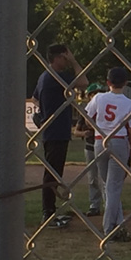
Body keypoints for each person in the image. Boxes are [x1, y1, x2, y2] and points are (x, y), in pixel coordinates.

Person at [33, 43, 87, 228]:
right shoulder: (56, 76)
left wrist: (46, 110)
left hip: (53, 130)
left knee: (53, 173)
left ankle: (50, 211)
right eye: (64, 57)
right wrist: (74, 61)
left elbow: (35, 99)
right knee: (52, 175)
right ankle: (47, 214)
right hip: (56, 131)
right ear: (57, 58)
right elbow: (83, 82)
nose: (66, 60)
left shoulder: (44, 76)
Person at [85, 66, 131, 243]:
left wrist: (98, 126)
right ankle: (109, 229)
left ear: (108, 82)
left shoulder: (99, 97)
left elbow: (87, 118)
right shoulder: (129, 103)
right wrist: (130, 154)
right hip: (119, 141)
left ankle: (119, 224)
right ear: (126, 83)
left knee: (109, 185)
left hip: (99, 140)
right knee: (113, 187)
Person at [75, 82, 106, 216]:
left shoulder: (105, 111)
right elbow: (76, 131)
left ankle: (108, 204)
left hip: (103, 146)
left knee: (105, 177)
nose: (98, 96)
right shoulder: (86, 112)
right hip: (90, 147)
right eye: (94, 94)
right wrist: (84, 133)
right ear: (89, 96)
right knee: (92, 178)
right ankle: (94, 205)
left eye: (100, 93)